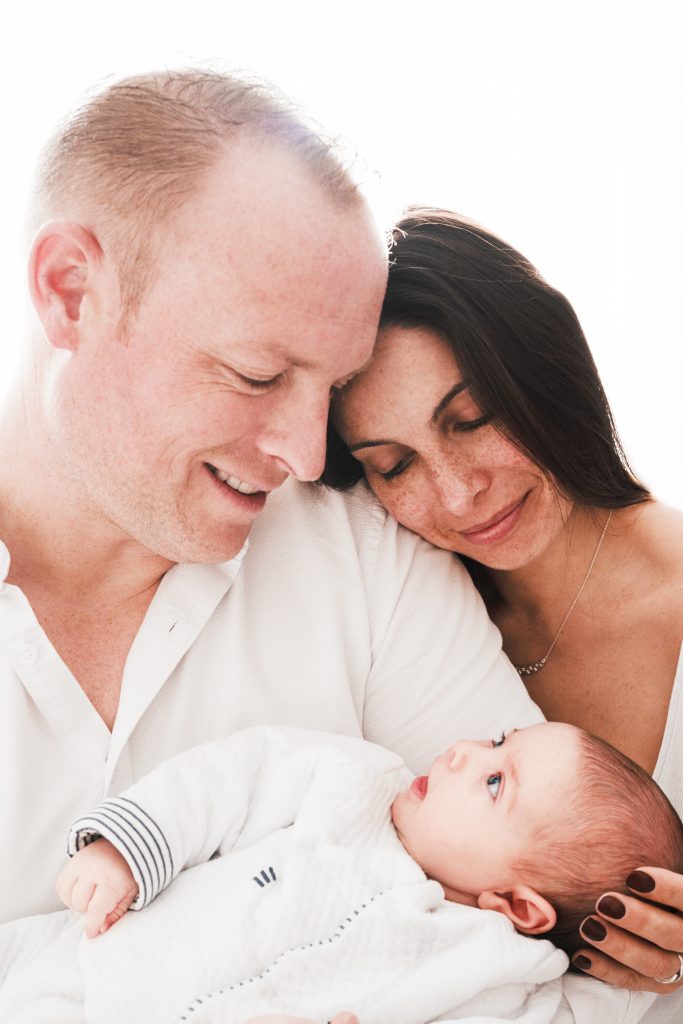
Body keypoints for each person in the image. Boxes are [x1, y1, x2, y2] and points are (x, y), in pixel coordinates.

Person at [0, 69, 548, 1024]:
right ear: (71, 292)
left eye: (330, 390)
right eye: (257, 374)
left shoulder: (365, 559)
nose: (304, 455)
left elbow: (535, 901)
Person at [325, 208, 683, 1022]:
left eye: (471, 419)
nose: (455, 493)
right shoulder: (410, 627)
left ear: (545, 369)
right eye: (393, 465)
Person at [5, 722, 679, 1023]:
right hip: (86, 972)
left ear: (518, 905)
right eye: (497, 739)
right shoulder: (352, 783)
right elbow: (230, 777)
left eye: (495, 781)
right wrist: (126, 849)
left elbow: (620, 990)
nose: (463, 752)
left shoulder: (507, 982)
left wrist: (646, 961)